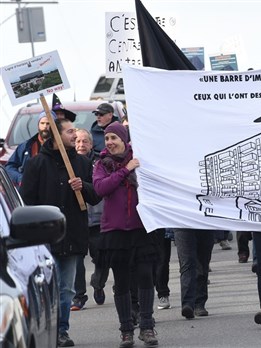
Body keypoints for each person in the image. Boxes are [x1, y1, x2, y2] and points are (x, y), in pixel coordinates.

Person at [20, 117, 100, 347]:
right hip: (44, 240)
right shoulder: (36, 164)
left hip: (72, 235)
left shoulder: (83, 163)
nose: (74, 135)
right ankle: (44, 331)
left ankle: (61, 331)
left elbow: (96, 194)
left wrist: (82, 187)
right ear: (56, 135)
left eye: (75, 131)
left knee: (66, 289)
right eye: (69, 131)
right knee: (45, 290)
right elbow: (27, 202)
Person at [92, 122, 159, 347]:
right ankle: (126, 330)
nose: (110, 142)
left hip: (141, 229)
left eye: (114, 138)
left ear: (124, 140)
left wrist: (134, 166)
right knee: (121, 282)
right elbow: (101, 189)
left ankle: (147, 326)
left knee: (145, 276)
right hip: (115, 232)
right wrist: (125, 169)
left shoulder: (139, 159)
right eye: (107, 138)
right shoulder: (102, 164)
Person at [71, 129, 107, 310]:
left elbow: (100, 188)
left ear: (91, 144)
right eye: (77, 141)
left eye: (84, 141)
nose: (80, 145)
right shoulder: (68, 163)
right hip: (77, 220)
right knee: (77, 259)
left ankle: (98, 283)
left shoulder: (100, 163)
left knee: (101, 256)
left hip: (98, 219)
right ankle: (79, 296)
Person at [173, 229, 215, 319]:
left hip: (204, 224)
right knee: (187, 263)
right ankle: (187, 303)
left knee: (202, 263)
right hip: (182, 224)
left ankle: (199, 303)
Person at [6, 111, 54, 186]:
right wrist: (20, 178)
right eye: (42, 123)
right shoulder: (26, 146)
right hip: (29, 192)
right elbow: (9, 167)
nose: (45, 126)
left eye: (48, 123)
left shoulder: (62, 147)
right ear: (38, 125)